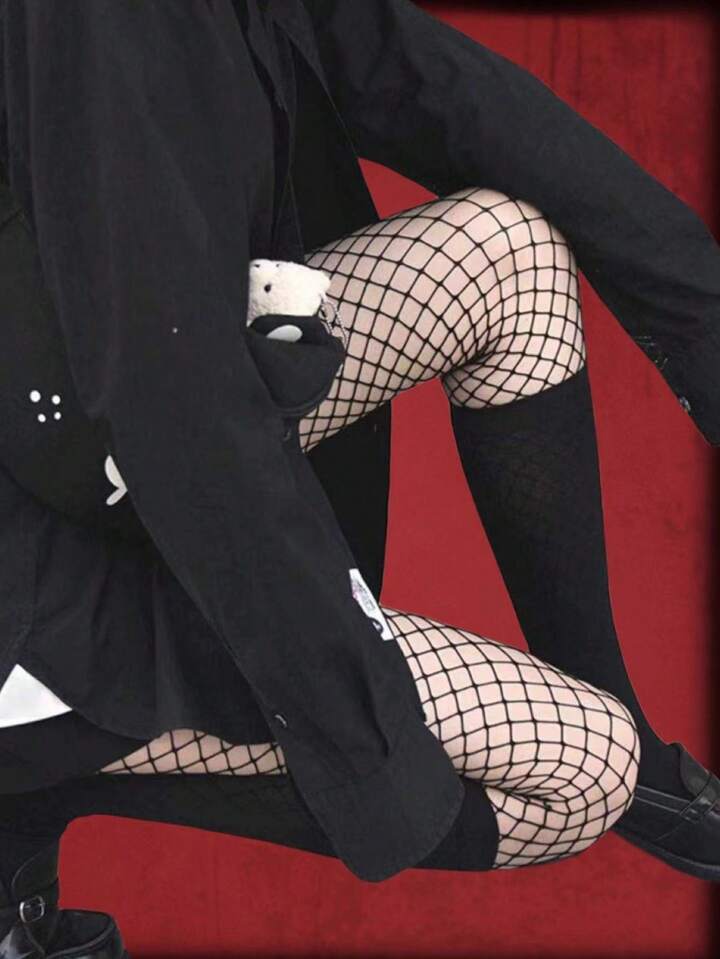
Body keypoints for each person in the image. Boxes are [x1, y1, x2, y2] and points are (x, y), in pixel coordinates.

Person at [1, 1, 719, 955]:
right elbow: (179, 411)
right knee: (588, 771)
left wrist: (707, 322)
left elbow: (413, 73)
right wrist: (362, 739)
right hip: (50, 566)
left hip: (90, 432)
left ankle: (614, 702)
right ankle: (38, 770)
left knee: (505, 254)